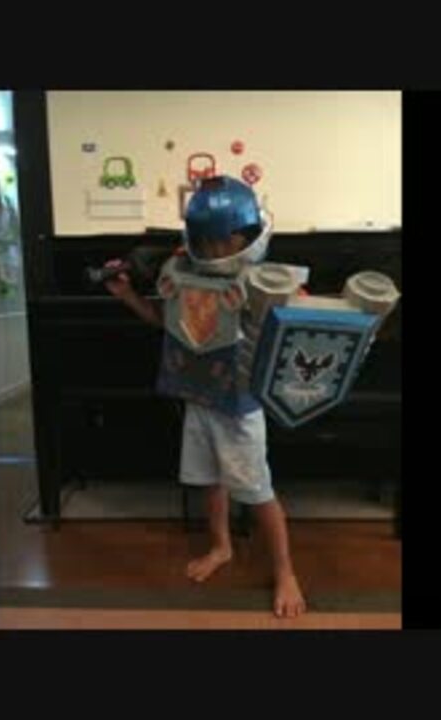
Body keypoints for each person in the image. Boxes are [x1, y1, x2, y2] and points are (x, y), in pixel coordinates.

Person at [103, 176, 306, 618]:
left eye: (223, 241)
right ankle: (221, 546)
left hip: (239, 407)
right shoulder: (183, 273)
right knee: (209, 480)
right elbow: (168, 322)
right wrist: (128, 295)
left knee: (257, 491)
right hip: (198, 398)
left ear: (244, 237)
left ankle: (285, 571)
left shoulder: (261, 283)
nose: (214, 250)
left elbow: (296, 335)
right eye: (207, 241)